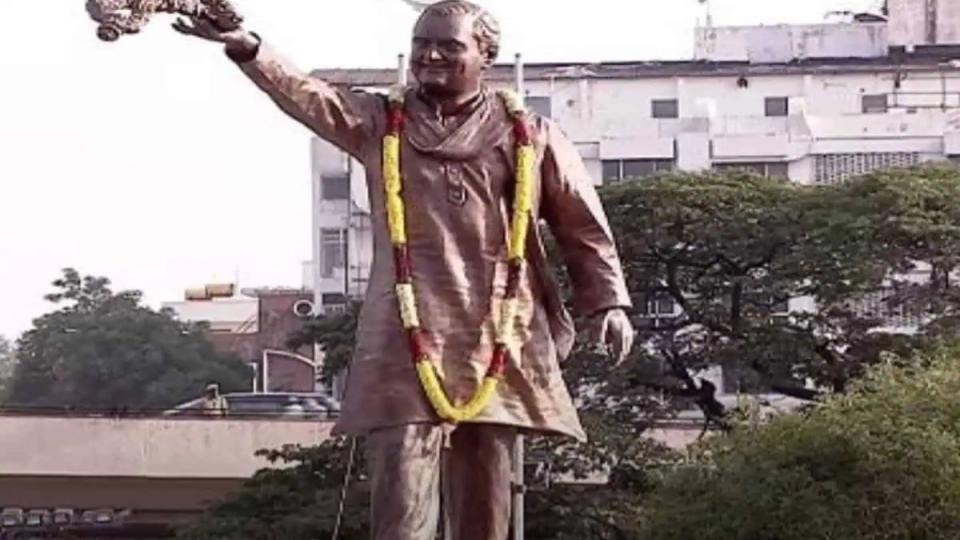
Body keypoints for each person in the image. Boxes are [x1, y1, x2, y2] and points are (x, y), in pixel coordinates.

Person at [172, 2, 635, 538]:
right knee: (400, 496)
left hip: (498, 332)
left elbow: (582, 223)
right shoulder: (379, 121)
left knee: (486, 503)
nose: (430, 55)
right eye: (421, 44)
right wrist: (247, 45)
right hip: (404, 335)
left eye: (449, 45)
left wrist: (609, 302)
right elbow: (308, 95)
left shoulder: (529, 134)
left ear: (485, 55)